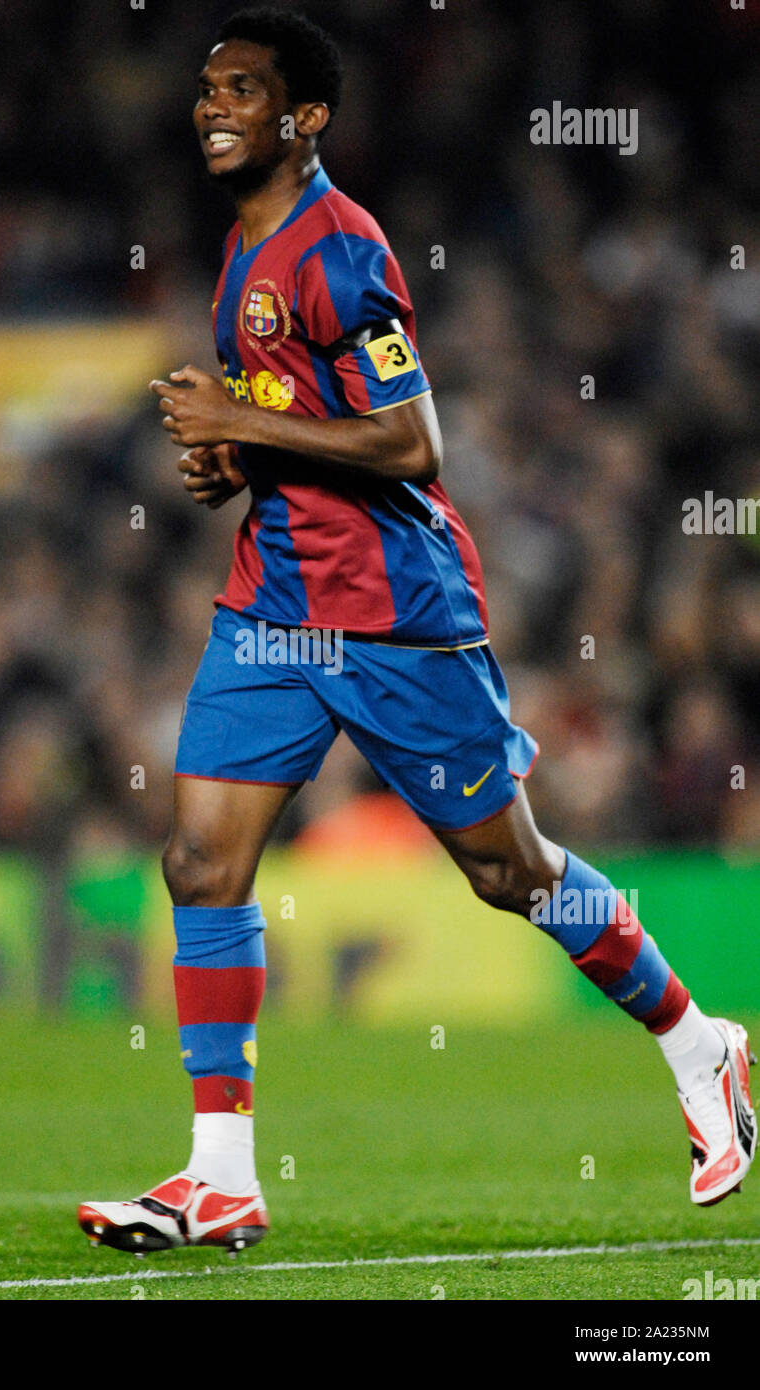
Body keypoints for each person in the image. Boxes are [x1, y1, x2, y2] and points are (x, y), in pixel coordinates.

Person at [78, 8, 755, 1256]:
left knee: (510, 872)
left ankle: (698, 1043)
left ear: (305, 117)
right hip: (272, 605)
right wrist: (231, 462)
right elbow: (294, 423)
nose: (211, 106)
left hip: (396, 618)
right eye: (205, 87)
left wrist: (247, 418)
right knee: (200, 864)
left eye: (241, 88)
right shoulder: (241, 254)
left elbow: (410, 443)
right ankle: (217, 1174)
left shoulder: (342, 252)